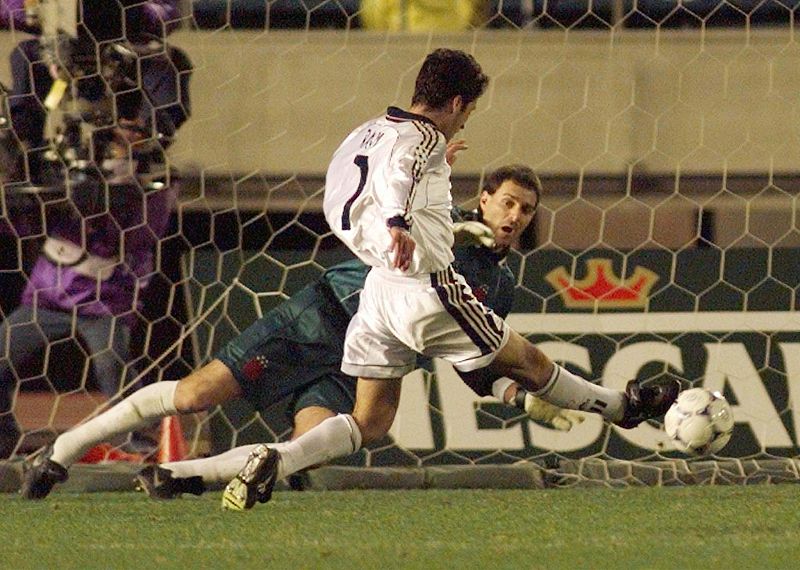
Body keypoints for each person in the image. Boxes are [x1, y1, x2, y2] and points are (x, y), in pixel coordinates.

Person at [221, 48, 679, 511]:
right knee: (529, 361)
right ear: (458, 103)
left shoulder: (371, 131)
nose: (463, 124)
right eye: (469, 112)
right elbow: (401, 176)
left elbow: (358, 188)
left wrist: (399, 217)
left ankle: (278, 458)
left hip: (380, 290)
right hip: (428, 289)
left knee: (370, 419)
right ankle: (624, 407)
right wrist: (398, 222)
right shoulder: (424, 139)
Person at [20, 160, 582, 499]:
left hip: (363, 363)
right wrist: (454, 229)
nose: (514, 216)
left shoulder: (499, 288)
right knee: (193, 395)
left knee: (303, 448)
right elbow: (397, 220)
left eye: (525, 210)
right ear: (484, 200)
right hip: (320, 319)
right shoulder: (438, 218)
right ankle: (61, 452)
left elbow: (470, 358)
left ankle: (176, 476)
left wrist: (520, 396)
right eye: (508, 202)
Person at [0, 0, 191, 458]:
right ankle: (3, 436)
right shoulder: (60, 176)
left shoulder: (148, 188)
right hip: (50, 292)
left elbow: (171, 11)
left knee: (115, 372)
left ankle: (140, 445)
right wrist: (32, 12)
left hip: (105, 298)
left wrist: (131, 16)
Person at [0, 0, 188, 183]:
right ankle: (22, 149)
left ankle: (140, 147)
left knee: (169, 63)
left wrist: (133, 12)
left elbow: (170, 12)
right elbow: (8, 8)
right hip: (59, 53)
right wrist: (40, 10)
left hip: (125, 46)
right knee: (25, 58)